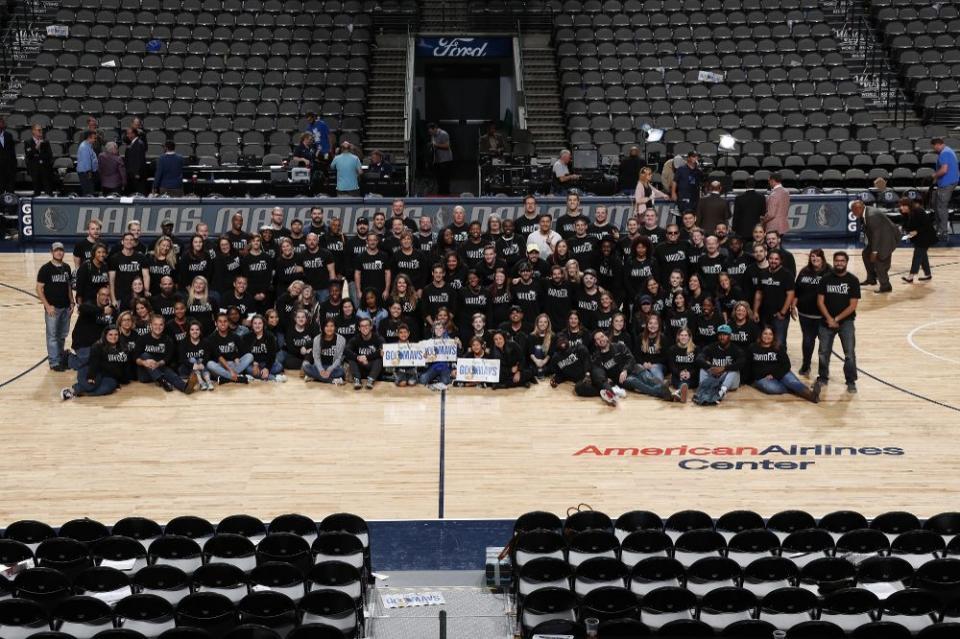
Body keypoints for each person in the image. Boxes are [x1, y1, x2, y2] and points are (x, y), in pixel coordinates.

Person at [817, 251, 860, 394]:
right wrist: (829, 319)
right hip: (826, 322)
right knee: (823, 352)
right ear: (833, 261)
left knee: (849, 354)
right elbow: (820, 301)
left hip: (846, 323)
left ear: (846, 262)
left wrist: (836, 319)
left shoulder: (853, 280)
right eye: (837, 261)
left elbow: (852, 305)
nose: (839, 263)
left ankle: (850, 381)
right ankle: (823, 377)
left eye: (842, 261)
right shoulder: (826, 279)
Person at [749, 326, 821, 403]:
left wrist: (774, 375)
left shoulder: (778, 347)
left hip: (780, 372)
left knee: (792, 382)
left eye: (770, 334)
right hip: (762, 377)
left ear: (774, 336)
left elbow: (787, 365)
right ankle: (795, 389)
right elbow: (751, 366)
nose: (767, 336)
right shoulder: (753, 347)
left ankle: (812, 395)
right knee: (771, 388)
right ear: (761, 335)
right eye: (765, 334)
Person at [60, 326, 131, 400]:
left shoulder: (124, 348)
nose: (113, 337)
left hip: (108, 376)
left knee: (109, 387)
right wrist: (91, 375)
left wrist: (123, 379)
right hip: (93, 370)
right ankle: (72, 390)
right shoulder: (98, 346)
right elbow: (94, 363)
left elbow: (124, 366)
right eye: (110, 334)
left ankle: (81, 393)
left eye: (116, 334)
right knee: (90, 384)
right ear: (105, 335)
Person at [135, 314, 199, 393]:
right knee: (145, 355)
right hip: (145, 375)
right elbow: (135, 357)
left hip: (160, 368)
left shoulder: (168, 340)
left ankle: (184, 387)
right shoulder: (142, 339)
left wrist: (158, 364)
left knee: (168, 371)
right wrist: (144, 362)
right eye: (155, 324)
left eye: (161, 324)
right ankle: (162, 380)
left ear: (164, 326)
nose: (158, 327)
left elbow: (167, 358)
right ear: (150, 325)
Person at [37, 242, 75, 371]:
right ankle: (54, 363)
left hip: (65, 307)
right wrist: (47, 306)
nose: (59, 252)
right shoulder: (45, 268)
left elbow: (68, 286)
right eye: (56, 250)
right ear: (51, 252)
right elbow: (39, 288)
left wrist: (72, 302)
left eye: (61, 250)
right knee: (52, 336)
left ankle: (60, 358)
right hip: (53, 308)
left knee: (62, 334)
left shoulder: (67, 267)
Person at [793, 249, 828, 376]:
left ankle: (823, 370)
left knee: (824, 345)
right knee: (807, 342)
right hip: (805, 315)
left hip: (823, 317)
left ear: (822, 258)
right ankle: (806, 365)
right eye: (812, 256)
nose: (815, 259)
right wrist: (793, 306)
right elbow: (796, 291)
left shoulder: (829, 272)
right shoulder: (804, 271)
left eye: (817, 256)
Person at [850, 199, 898, 293]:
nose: (853, 213)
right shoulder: (865, 211)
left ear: (859, 208)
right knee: (866, 254)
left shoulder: (872, 215)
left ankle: (886, 286)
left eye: (854, 211)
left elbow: (877, 234)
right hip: (880, 237)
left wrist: (875, 252)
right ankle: (871, 279)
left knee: (880, 262)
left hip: (886, 239)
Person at [753, 250, 795, 347]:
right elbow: (759, 293)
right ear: (768, 259)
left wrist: (783, 312)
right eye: (771, 258)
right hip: (764, 314)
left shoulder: (787, 274)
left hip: (779, 316)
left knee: (780, 342)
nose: (773, 261)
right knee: (764, 341)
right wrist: (755, 311)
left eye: (776, 259)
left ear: (781, 260)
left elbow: (790, 294)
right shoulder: (763, 273)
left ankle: (781, 361)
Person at [693, 324, 744, 405]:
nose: (722, 337)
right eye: (720, 334)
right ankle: (702, 389)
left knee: (734, 370)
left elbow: (742, 362)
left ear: (730, 336)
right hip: (714, 376)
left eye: (725, 335)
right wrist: (711, 367)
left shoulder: (736, 349)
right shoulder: (711, 347)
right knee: (703, 368)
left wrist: (724, 368)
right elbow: (699, 358)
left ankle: (721, 392)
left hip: (728, 381)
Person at [899, 198, 937, 283]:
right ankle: (928, 275)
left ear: (908, 206)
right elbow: (906, 224)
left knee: (917, 255)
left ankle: (910, 277)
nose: (901, 207)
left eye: (903, 206)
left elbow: (927, 225)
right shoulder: (904, 213)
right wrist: (903, 228)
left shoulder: (918, 211)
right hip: (918, 237)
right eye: (901, 206)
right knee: (922, 256)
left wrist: (916, 231)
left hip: (927, 236)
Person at [931, 137, 958, 240]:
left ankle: (943, 232)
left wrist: (934, 175)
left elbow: (944, 170)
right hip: (946, 183)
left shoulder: (944, 153)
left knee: (941, 208)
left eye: (934, 147)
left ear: (938, 144)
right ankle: (939, 229)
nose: (934, 149)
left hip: (946, 183)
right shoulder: (949, 151)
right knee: (938, 206)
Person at [345, 317, 383, 389]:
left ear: (371, 327)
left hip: (373, 366)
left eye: (367, 325)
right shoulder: (356, 338)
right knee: (351, 358)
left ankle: (371, 380)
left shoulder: (377, 337)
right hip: (360, 366)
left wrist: (367, 357)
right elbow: (346, 350)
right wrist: (357, 357)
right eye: (362, 326)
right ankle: (357, 380)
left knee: (380, 358)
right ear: (359, 328)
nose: (364, 328)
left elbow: (382, 349)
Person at [25, 123, 56, 194]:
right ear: (33, 131)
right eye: (39, 130)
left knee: (48, 190)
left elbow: (49, 155)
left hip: (45, 169)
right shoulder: (28, 142)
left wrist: (38, 157)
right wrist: (37, 146)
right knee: (36, 190)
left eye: (41, 130)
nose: (41, 131)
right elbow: (29, 155)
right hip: (34, 170)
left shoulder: (46, 142)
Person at [427, 122, 453, 195]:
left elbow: (447, 146)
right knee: (439, 177)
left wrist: (436, 145)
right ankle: (440, 192)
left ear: (434, 129)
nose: (430, 133)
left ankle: (446, 193)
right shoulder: (433, 135)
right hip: (437, 160)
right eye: (429, 132)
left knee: (445, 177)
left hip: (445, 159)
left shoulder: (443, 134)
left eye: (431, 131)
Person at [124, 127, 148, 195]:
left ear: (134, 134)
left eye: (129, 133)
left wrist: (137, 173)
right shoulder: (134, 143)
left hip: (137, 175)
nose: (127, 135)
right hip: (133, 174)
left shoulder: (139, 143)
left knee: (138, 194)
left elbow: (139, 159)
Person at [76, 130, 99, 195]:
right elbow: (86, 163)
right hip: (85, 173)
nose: (95, 140)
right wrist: (90, 173)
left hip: (86, 172)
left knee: (89, 191)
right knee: (88, 192)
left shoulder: (88, 145)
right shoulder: (84, 147)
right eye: (94, 138)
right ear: (89, 137)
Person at [0, 116, 16, 193]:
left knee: (10, 190)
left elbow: (12, 152)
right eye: (1, 122)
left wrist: (14, 165)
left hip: (9, 167)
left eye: (2, 122)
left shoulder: (9, 135)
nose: (2, 124)